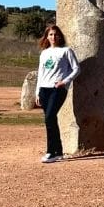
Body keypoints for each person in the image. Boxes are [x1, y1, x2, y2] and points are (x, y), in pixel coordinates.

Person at [36, 24, 80, 163]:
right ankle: (58, 151)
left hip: (58, 89)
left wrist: (65, 81)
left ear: (59, 36)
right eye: (50, 34)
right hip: (44, 89)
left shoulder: (66, 51)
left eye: (55, 34)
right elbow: (40, 73)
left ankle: (50, 152)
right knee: (51, 120)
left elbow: (76, 69)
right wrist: (37, 92)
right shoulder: (44, 53)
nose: (53, 37)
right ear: (47, 37)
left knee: (49, 118)